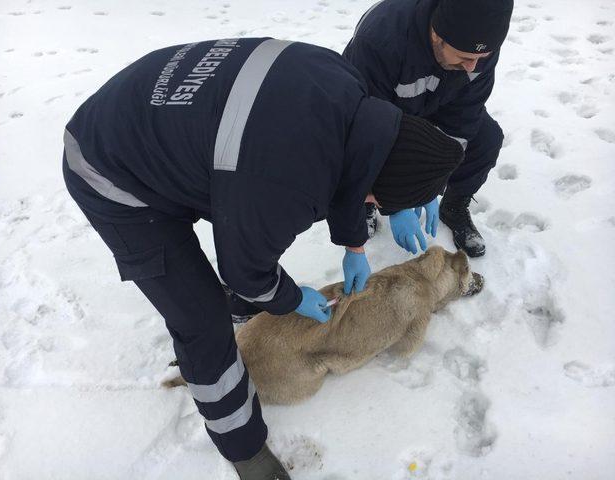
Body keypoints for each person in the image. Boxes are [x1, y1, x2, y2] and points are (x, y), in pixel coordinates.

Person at [62, 37, 463, 479]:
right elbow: (246, 269)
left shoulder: (348, 88)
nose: (371, 203)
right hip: (108, 170)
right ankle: (244, 449)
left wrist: (354, 246)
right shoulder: (288, 179)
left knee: (244, 226)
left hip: (157, 116)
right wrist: (288, 299)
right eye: (379, 200)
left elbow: (354, 170)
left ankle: (246, 314)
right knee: (200, 319)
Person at [344, 0, 514, 257]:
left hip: (439, 104)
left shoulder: (480, 49)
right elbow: (366, 130)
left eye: (482, 58)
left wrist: (432, 182)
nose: (472, 67)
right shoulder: (380, 41)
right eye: (465, 57)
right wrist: (397, 203)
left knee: (487, 139)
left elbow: (463, 120)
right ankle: (367, 202)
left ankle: (454, 206)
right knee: (362, 151)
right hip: (381, 107)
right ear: (437, 34)